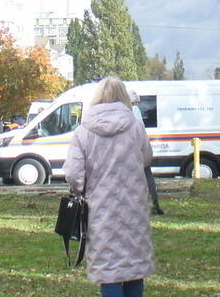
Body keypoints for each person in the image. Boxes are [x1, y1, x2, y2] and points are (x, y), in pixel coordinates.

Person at [64, 77, 154, 297]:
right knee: (134, 267)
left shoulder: (83, 131)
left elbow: (74, 175)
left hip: (100, 209)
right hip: (133, 207)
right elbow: (146, 159)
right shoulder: (135, 127)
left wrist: (81, 188)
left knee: (109, 269)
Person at [129, 91, 164, 215]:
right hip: (142, 148)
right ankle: (155, 203)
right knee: (148, 177)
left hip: (134, 150)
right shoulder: (137, 111)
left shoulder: (132, 112)